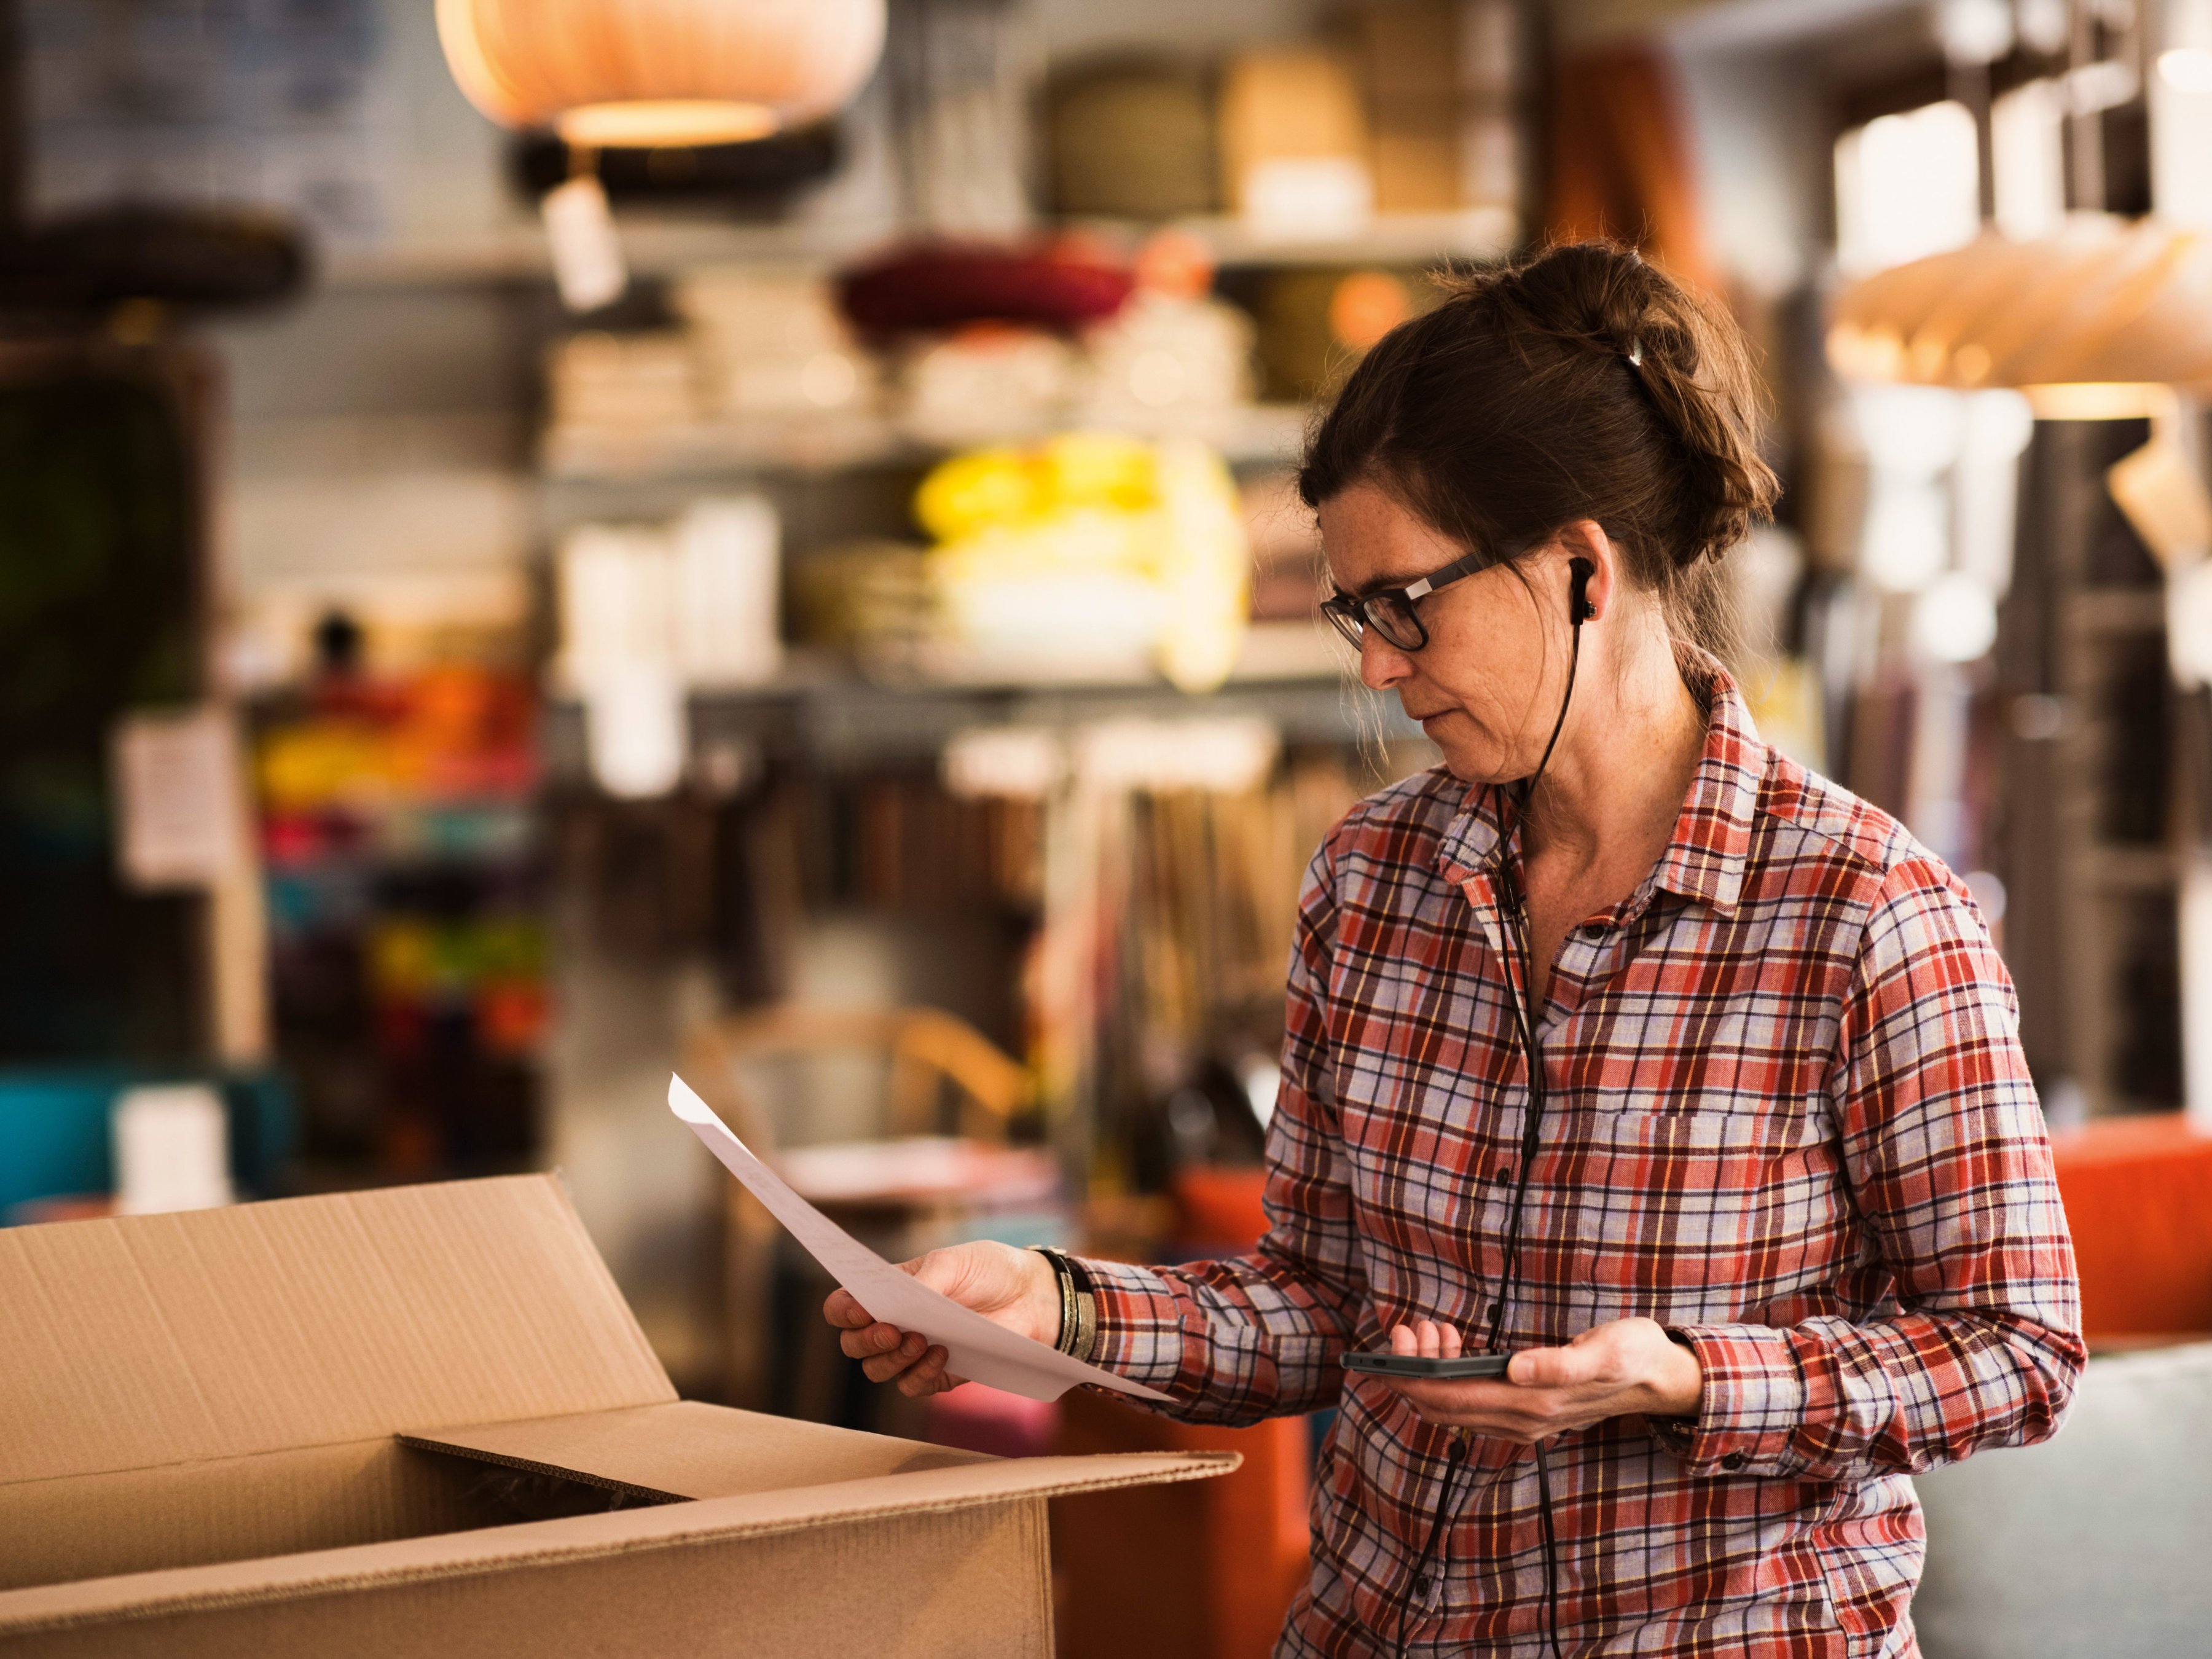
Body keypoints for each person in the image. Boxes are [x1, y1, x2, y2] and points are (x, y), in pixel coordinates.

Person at [825, 241, 2082, 1657]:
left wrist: (1687, 1378)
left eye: (1406, 604)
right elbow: (1320, 1303)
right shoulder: (1374, 880)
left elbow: (2017, 1352)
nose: (1376, 664)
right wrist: (1054, 1306)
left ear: (1582, 570)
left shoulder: (1865, 912)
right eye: (1355, 613)